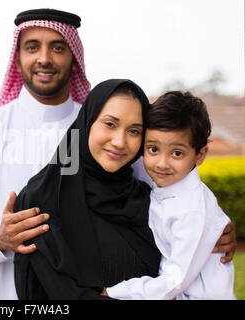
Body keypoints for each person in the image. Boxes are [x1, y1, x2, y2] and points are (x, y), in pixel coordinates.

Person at [0, 8, 236, 300]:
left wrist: (210, 225)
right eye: (32, 47)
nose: (44, 58)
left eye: (58, 47)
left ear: (75, 58)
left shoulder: (97, 128)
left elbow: (168, 182)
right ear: (17, 57)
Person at [14, 79, 163, 299]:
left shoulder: (147, 199)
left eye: (134, 131)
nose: (120, 141)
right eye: (110, 124)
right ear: (87, 123)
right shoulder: (43, 199)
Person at [103, 91, 236, 299]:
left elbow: (174, 281)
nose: (162, 163)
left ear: (200, 155)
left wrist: (115, 292)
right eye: (153, 149)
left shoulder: (191, 210)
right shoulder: (168, 190)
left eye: (177, 153)